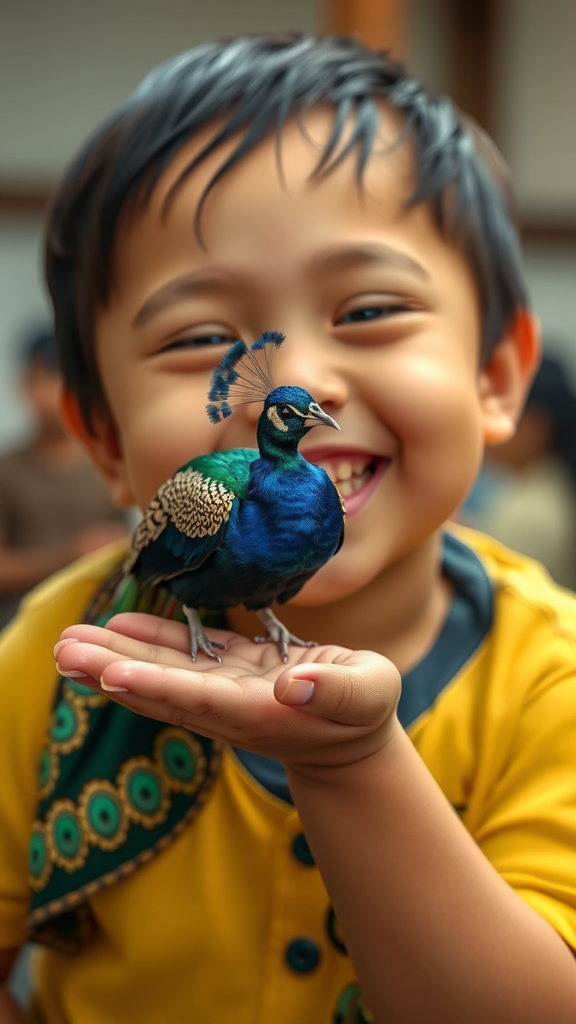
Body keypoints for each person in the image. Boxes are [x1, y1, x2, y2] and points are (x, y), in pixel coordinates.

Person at [0, 35, 575, 1024]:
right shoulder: (51, 662)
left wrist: (346, 760)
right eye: (199, 337)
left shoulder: (553, 681)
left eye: (371, 307)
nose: (317, 375)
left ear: (498, 377)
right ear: (101, 436)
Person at [0, 329, 128, 630]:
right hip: (19, 630)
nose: (53, 392)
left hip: (97, 626)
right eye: (43, 378)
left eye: (62, 379)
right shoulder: (7, 470)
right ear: (25, 386)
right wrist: (70, 556)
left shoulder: (109, 463)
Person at [468, 354, 576, 589]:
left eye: (496, 410)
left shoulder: (527, 517)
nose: (483, 425)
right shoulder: (553, 483)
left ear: (535, 426)